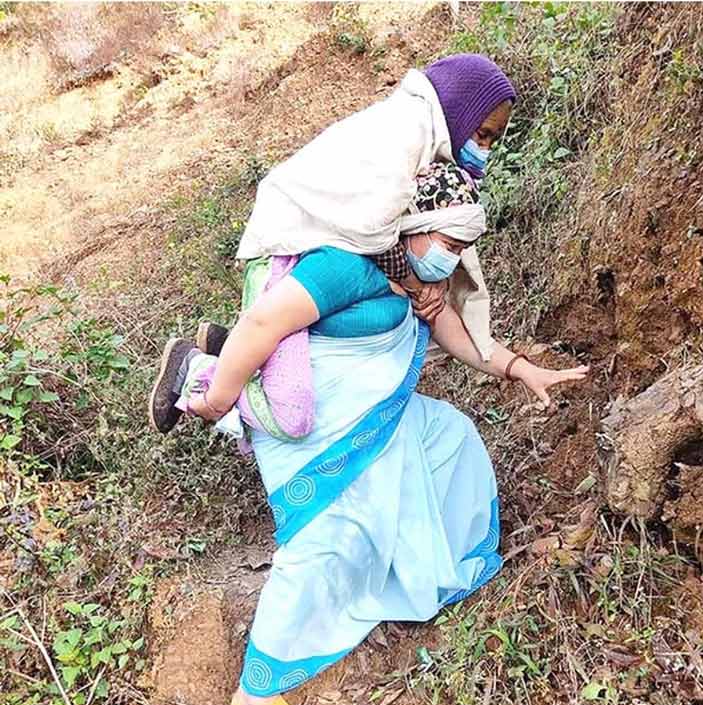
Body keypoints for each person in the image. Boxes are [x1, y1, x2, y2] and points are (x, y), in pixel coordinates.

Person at [148, 164, 589, 705]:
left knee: (447, 435)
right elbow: (264, 320)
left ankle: (424, 567)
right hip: (319, 431)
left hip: (369, 418)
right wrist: (219, 396)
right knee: (325, 542)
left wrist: (519, 368)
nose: (453, 260)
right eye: (450, 245)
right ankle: (256, 696)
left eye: (463, 249)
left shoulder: (413, 276)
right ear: (412, 227)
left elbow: (458, 335)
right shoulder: (343, 266)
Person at [149, 53, 516, 438]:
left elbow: (439, 232)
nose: (483, 147)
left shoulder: (427, 138)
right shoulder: (406, 136)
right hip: (291, 238)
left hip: (321, 235)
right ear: (462, 107)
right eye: (483, 133)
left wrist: (436, 288)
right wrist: (416, 283)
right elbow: (375, 230)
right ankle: (195, 369)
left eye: (492, 139)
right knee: (290, 414)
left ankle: (236, 348)